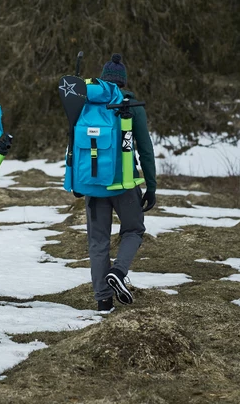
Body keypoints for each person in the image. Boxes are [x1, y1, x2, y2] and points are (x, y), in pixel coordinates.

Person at [87, 54, 157, 312]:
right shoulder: (132, 104)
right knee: (134, 230)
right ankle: (118, 271)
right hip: (125, 181)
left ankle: (103, 301)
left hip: (93, 182)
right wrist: (151, 185)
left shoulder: (90, 103)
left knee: (98, 241)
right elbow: (145, 149)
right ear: (124, 82)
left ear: (103, 79)